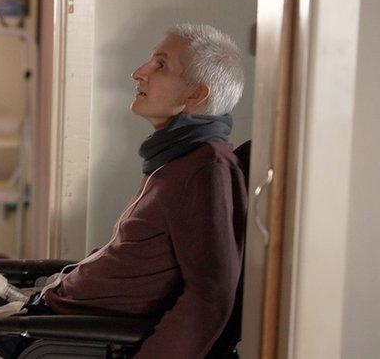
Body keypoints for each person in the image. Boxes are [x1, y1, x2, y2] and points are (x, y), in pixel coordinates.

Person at [40, 23, 248, 357]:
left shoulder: (205, 169)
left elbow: (211, 296)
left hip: (59, 338)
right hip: (55, 313)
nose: (138, 73)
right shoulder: (176, 160)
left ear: (194, 95)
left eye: (160, 65)